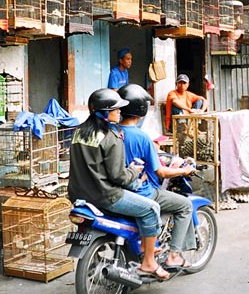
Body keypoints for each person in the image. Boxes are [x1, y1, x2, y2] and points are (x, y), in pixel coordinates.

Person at [67, 88, 169, 280]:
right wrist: (134, 172)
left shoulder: (78, 133)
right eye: (116, 109)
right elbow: (118, 176)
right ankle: (148, 262)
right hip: (106, 196)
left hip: (79, 196)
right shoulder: (111, 137)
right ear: (105, 112)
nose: (120, 112)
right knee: (151, 208)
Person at [118, 84, 196, 271]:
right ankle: (174, 256)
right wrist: (184, 171)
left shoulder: (113, 131)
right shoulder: (142, 137)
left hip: (120, 189)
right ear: (141, 109)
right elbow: (160, 172)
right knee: (185, 205)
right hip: (142, 192)